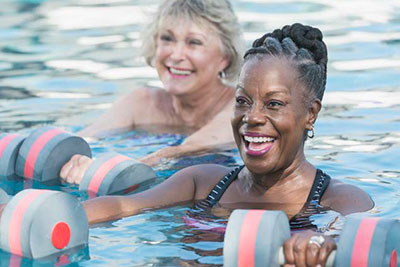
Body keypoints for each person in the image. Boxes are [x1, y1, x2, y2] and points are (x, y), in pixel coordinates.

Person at [77, 23, 374, 266]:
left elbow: (357, 242)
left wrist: (319, 244)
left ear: (310, 114)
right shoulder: (201, 183)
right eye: (242, 101)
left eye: (274, 104)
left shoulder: (340, 200)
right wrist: (64, 216)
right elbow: (125, 206)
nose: (252, 117)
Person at [61, 0, 244, 180]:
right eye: (167, 39)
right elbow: (85, 139)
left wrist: (113, 171)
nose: (176, 55)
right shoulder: (141, 102)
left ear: (225, 58)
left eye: (194, 42)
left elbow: (188, 150)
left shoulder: (242, 106)